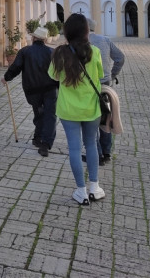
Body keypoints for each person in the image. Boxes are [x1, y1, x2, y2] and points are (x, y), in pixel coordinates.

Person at [48, 13, 105, 205]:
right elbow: (100, 75)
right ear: (86, 32)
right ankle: (95, 188)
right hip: (91, 108)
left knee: (74, 148)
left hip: (68, 109)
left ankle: (80, 191)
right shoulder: (94, 52)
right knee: (91, 145)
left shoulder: (59, 54)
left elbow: (54, 77)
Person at [1, 27, 59, 157]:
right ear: (44, 39)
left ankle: (38, 138)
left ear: (33, 38)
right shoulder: (52, 52)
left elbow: (16, 67)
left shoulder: (25, 51)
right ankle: (45, 144)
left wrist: (6, 78)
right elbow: (58, 72)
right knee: (50, 115)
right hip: (50, 89)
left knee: (39, 112)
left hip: (33, 90)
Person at [87, 18, 125, 163]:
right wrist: (113, 74)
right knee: (106, 118)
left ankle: (97, 154)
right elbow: (120, 58)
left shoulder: (80, 42)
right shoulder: (105, 40)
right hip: (106, 85)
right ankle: (107, 152)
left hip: (90, 87)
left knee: (92, 120)